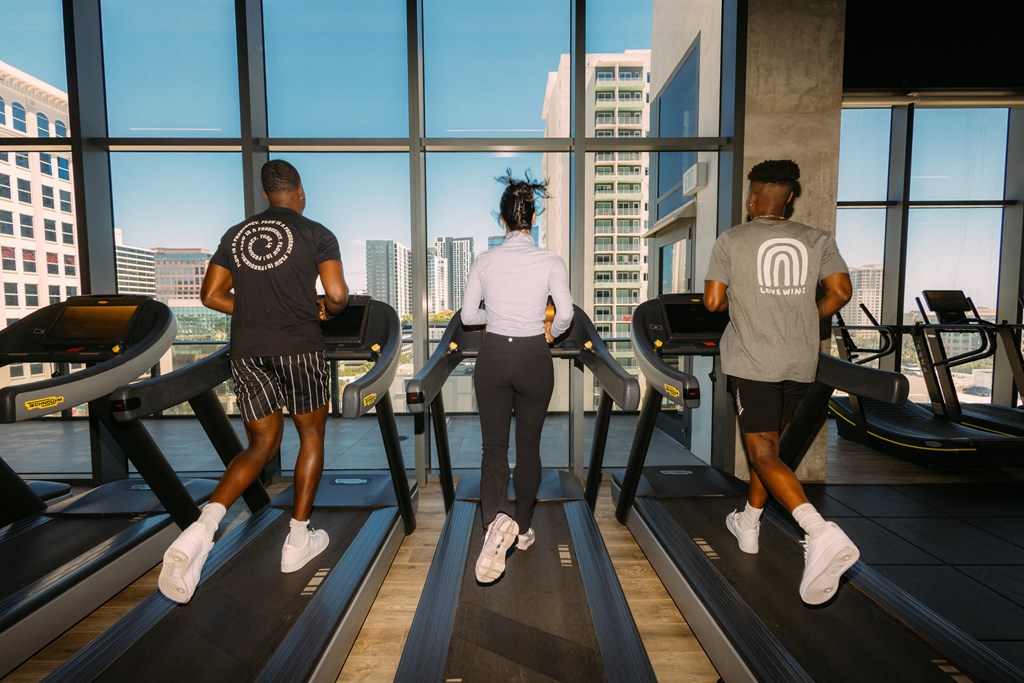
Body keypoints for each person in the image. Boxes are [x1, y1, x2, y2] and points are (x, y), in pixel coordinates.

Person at [158, 159, 349, 603]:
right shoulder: (315, 232)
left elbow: (210, 295)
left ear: (266, 195)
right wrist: (325, 309)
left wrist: (251, 313)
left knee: (259, 447)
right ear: (298, 191)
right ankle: (297, 541)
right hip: (299, 347)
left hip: (247, 351)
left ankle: (202, 529)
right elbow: (337, 295)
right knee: (311, 437)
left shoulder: (236, 234)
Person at [703, 159, 856, 605]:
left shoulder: (732, 239)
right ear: (789, 198)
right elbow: (842, 292)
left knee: (762, 452)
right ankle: (749, 524)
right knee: (772, 453)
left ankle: (819, 531)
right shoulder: (817, 239)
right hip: (799, 362)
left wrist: (745, 301)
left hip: (754, 362)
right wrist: (807, 317)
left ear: (753, 198)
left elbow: (713, 301)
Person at [461, 170, 573, 584]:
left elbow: (470, 316)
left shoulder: (484, 261)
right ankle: (521, 527)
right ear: (533, 218)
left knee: (494, 449)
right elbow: (564, 315)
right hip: (533, 356)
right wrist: (546, 330)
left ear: (503, 221)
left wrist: (500, 316)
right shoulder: (549, 260)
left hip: (493, 356)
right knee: (529, 448)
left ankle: (495, 524)